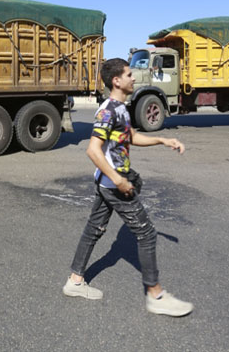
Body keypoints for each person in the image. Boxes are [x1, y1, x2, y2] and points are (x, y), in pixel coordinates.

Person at [63, 58, 193, 317]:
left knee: (94, 229)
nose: (134, 78)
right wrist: (119, 180)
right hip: (113, 185)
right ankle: (156, 296)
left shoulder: (121, 108)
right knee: (147, 233)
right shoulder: (108, 111)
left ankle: (75, 281)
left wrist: (162, 140)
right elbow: (93, 150)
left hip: (107, 182)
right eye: (129, 74)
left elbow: (130, 136)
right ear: (117, 81)